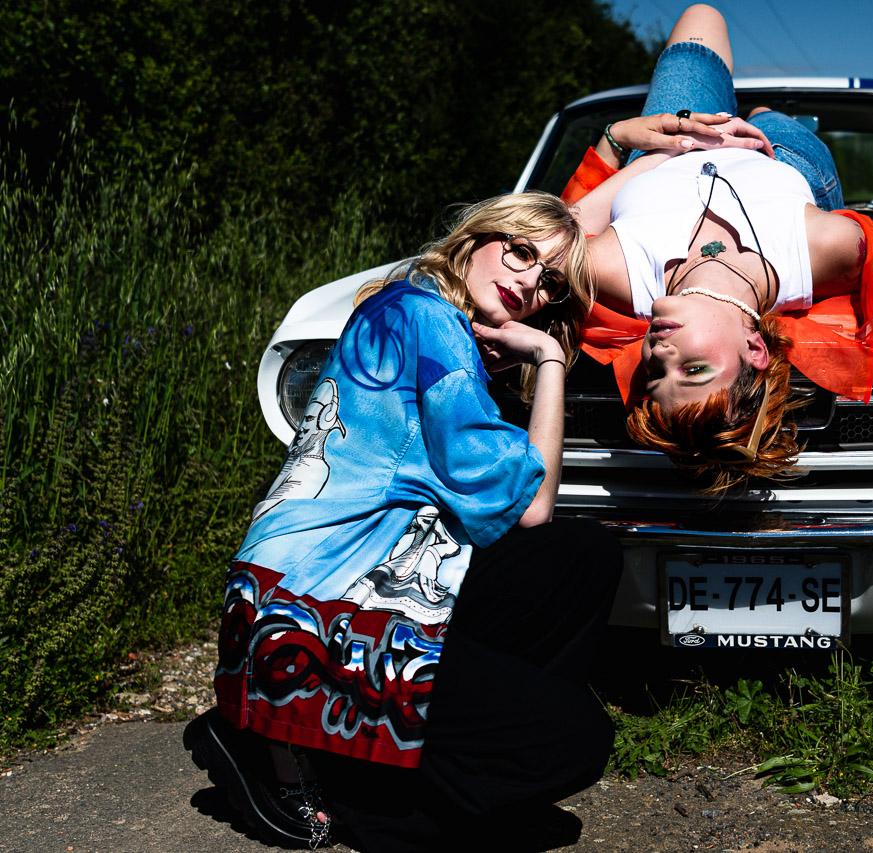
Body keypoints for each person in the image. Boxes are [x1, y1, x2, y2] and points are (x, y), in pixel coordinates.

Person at [184, 191, 622, 851]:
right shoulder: (433, 325)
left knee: (582, 554)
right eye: (522, 251)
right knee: (575, 740)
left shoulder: (408, 303)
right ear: (476, 241)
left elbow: (515, 518)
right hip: (317, 613)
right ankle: (307, 767)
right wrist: (551, 360)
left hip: (308, 590)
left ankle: (408, 751)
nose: (531, 282)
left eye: (550, 283)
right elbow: (532, 505)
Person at [563, 4, 873, 494]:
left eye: (654, 372)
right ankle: (767, 114)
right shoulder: (829, 250)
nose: (659, 352)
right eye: (692, 368)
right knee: (771, 118)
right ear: (755, 348)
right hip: (785, 159)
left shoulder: (618, 274)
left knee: (701, 15)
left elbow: (551, 232)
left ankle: (736, 118)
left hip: (672, 139)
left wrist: (657, 143)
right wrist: (744, 138)